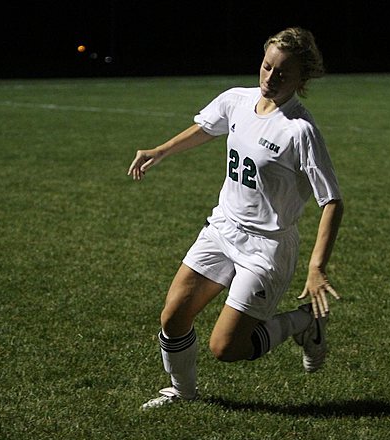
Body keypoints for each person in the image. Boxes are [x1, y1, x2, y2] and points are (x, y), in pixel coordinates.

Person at [127, 27, 344, 410]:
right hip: (222, 229)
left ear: (301, 80)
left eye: (283, 74)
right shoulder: (237, 100)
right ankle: (182, 392)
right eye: (266, 67)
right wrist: (160, 150)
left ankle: (303, 322)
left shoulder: (300, 130)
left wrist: (316, 267)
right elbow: (207, 128)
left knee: (226, 348)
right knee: (173, 316)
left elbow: (332, 201)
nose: (270, 78)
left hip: (267, 247)